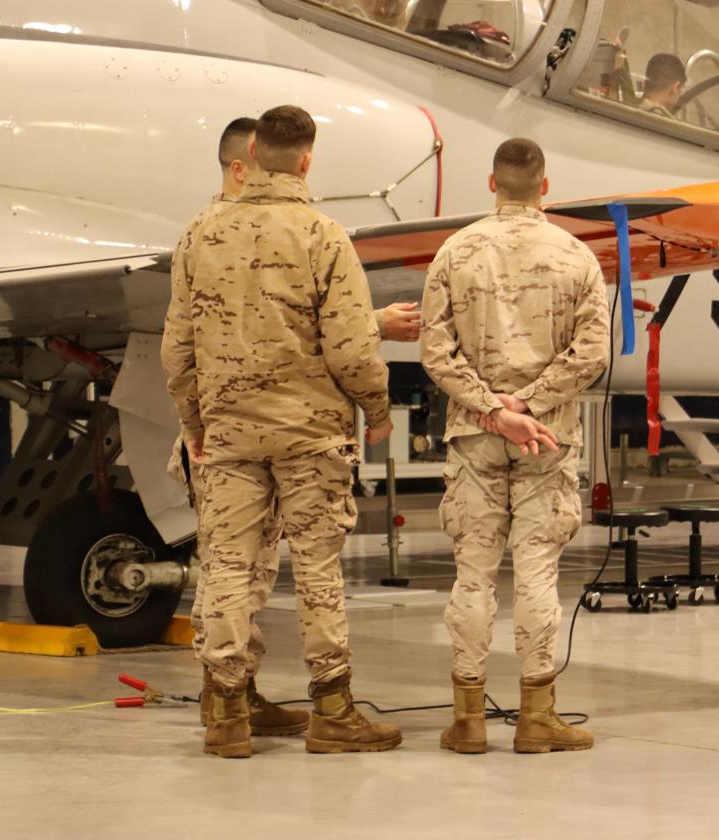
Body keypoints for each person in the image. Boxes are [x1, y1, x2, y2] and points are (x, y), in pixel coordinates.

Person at [170, 117, 421, 742]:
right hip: (310, 435)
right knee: (316, 569)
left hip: (228, 433)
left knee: (227, 566)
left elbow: (177, 349)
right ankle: (333, 713)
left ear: (251, 154)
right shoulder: (323, 235)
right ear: (306, 164)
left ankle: (227, 710)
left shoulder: (198, 235)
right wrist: (378, 411)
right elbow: (348, 348)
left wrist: (194, 423)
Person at [420, 138, 610, 755]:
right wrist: (527, 405)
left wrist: (492, 409)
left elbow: (435, 352)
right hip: (547, 438)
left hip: (476, 436)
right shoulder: (578, 258)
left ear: (491, 183)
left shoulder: (455, 252)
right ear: (545, 186)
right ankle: (536, 718)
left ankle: (469, 720)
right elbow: (592, 353)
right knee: (536, 574)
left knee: (472, 575)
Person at [641, 52, 687, 119]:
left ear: (643, 84)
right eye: (680, 90)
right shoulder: (665, 127)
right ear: (675, 88)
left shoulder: (627, 113)